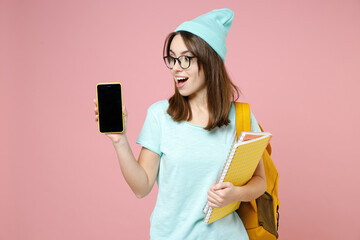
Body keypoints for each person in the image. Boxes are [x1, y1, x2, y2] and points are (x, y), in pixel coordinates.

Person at [94, 8, 266, 240]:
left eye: (185, 58)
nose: (176, 67)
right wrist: (119, 141)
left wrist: (235, 194)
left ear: (210, 60)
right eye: (172, 58)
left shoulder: (241, 116)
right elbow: (141, 187)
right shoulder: (159, 115)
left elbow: (260, 182)